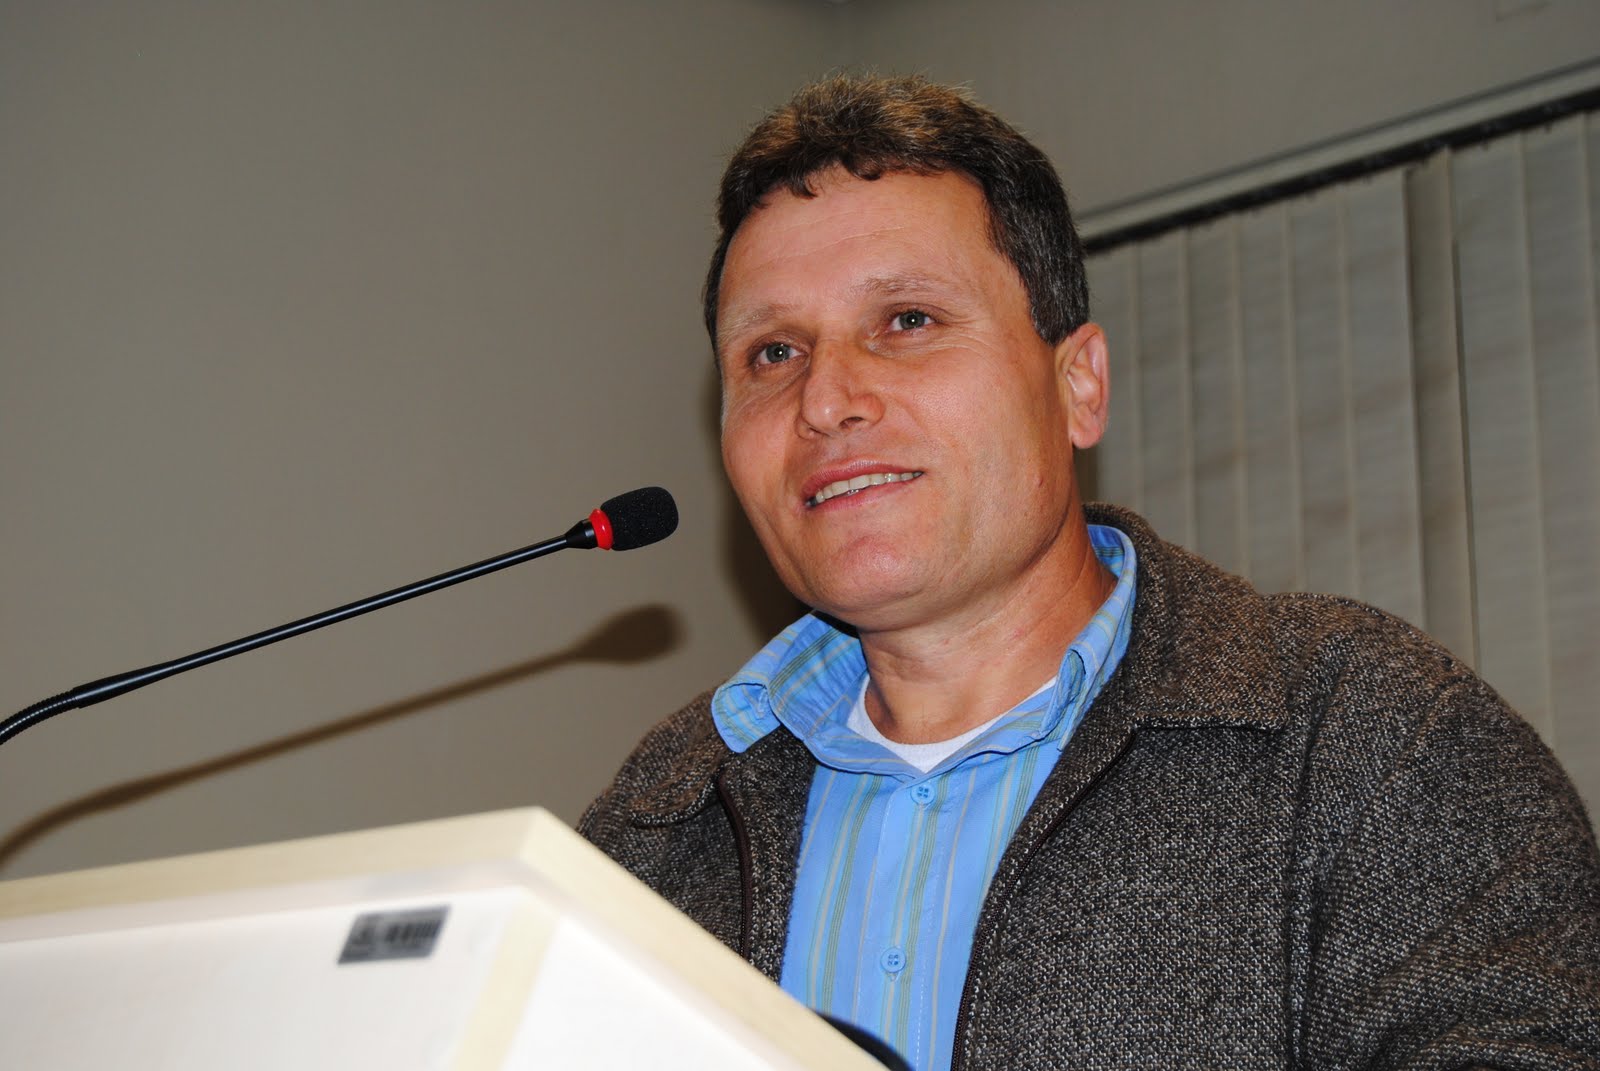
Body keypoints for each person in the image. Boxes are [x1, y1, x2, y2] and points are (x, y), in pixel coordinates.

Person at [580, 75, 1600, 1070]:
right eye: (772, 353)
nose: (825, 398)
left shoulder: (1373, 736)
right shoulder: (650, 823)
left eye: (907, 320)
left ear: (1077, 385)